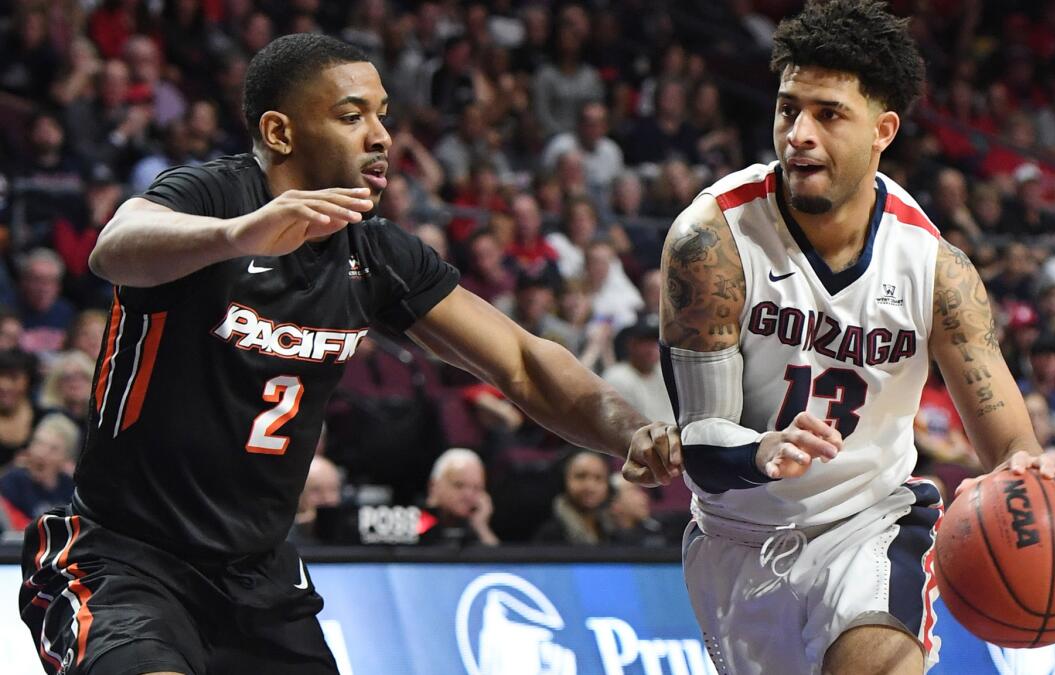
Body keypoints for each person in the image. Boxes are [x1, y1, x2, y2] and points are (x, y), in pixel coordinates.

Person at [19, 34, 680, 675]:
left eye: (382, 115)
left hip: (260, 576)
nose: (381, 136)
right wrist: (236, 235)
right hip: (126, 560)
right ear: (280, 133)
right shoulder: (212, 198)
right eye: (351, 115)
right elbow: (116, 245)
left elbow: (522, 361)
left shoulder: (375, 254)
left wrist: (629, 429)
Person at [645, 3, 1055, 673]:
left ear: (883, 130)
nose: (798, 134)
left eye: (828, 114)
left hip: (872, 523)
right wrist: (763, 448)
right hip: (736, 534)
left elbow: (1009, 444)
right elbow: (702, 439)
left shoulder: (934, 268)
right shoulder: (711, 241)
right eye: (788, 108)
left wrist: (1030, 472)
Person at [419, 447, 498, 547]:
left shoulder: (478, 526)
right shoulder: (414, 522)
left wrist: (481, 527)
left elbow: (497, 560)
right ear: (434, 486)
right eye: (459, 485)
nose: (468, 496)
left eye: (477, 488)